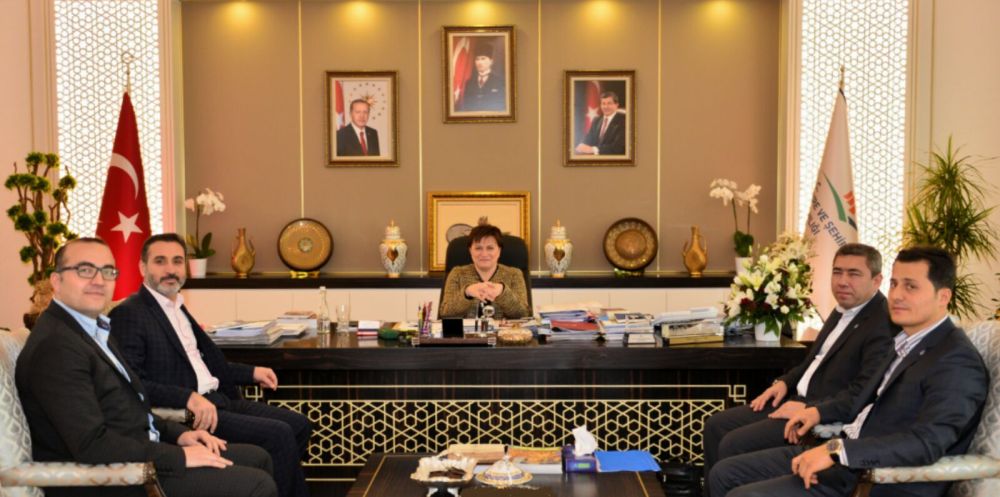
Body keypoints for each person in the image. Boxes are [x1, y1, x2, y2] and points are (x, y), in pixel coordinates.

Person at [709, 246, 988, 497]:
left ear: (943, 296)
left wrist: (837, 450)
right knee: (724, 473)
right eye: (894, 284)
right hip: (844, 457)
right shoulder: (905, 342)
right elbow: (861, 401)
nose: (896, 295)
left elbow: (926, 443)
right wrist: (822, 426)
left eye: (911, 287)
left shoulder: (956, 360)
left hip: (877, 480)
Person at [16, 237, 278, 497]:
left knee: (258, 458)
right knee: (257, 484)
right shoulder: (56, 346)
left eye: (107, 271)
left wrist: (179, 435)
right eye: (85, 270)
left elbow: (132, 407)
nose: (99, 280)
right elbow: (91, 445)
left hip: (137, 452)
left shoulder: (93, 330)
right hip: (111, 479)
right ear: (57, 281)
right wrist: (178, 456)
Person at [109, 233, 311, 497]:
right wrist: (187, 397)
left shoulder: (176, 308)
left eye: (177, 261)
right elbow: (132, 383)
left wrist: (251, 372)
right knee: (279, 434)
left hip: (220, 399)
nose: (170, 269)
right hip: (191, 415)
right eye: (160, 261)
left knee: (298, 425)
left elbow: (203, 365)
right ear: (142, 267)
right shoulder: (130, 313)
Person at [702, 244, 895, 487]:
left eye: (854, 274)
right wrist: (784, 382)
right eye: (837, 272)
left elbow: (860, 394)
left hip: (820, 416)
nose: (843, 281)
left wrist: (809, 408)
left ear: (877, 281)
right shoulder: (843, 309)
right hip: (794, 399)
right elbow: (812, 361)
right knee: (716, 425)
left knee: (733, 443)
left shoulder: (882, 324)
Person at [439, 223, 530, 319]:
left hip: (503, 329)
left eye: (490, 248)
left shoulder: (514, 274)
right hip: (467, 329)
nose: (484, 254)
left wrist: (503, 292)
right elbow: (445, 313)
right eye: (478, 248)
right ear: (470, 250)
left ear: (499, 251)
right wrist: (467, 293)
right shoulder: (457, 274)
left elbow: (524, 313)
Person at [457, 42, 506, 112]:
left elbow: (502, 106)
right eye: (477, 59)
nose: (479, 62)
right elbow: (466, 107)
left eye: (483, 59)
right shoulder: (469, 82)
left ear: (491, 61)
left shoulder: (500, 81)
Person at [575, 91, 626, 156]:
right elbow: (589, 138)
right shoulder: (596, 120)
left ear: (616, 105)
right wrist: (582, 145)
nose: (606, 107)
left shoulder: (624, 121)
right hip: (594, 158)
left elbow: (618, 147)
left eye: (609, 103)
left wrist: (593, 149)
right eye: (603, 103)